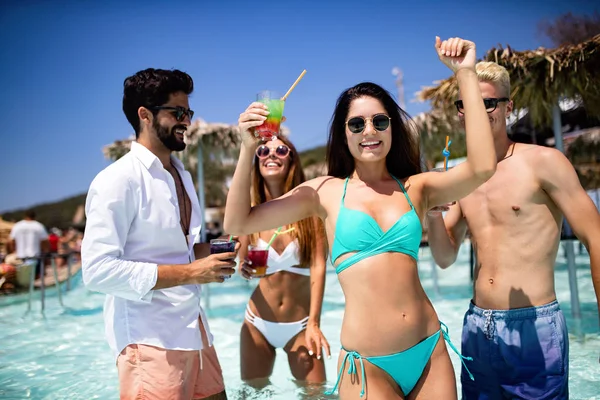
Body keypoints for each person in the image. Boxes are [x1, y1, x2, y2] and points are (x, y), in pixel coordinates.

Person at [225, 36, 497, 399]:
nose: (369, 131)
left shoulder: (416, 188)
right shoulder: (324, 192)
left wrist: (465, 74)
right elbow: (237, 223)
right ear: (343, 134)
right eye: (357, 124)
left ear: (391, 128)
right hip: (367, 364)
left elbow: (482, 167)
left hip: (429, 352)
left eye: (379, 121)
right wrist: (247, 148)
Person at [426, 61, 600, 400]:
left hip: (533, 325)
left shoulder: (543, 162)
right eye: (467, 103)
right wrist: (433, 217)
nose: (477, 110)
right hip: (477, 326)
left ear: (508, 105)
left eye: (487, 102)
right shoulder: (462, 178)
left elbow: (595, 237)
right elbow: (445, 257)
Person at [81, 68, 238, 400]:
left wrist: (219, 255)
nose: (187, 121)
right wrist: (192, 272)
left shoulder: (180, 174)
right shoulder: (117, 180)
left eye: (188, 113)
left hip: (195, 329)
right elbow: (96, 271)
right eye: (177, 112)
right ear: (145, 115)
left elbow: (180, 250)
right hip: (149, 339)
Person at [236, 135, 330, 386]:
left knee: (316, 393)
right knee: (255, 393)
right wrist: (243, 268)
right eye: (263, 150)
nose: (271, 154)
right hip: (256, 323)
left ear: (292, 160)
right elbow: (242, 261)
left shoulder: (309, 210)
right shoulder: (249, 213)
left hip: (301, 326)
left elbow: (319, 266)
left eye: (281, 150)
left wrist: (314, 323)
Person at [8, 210, 49, 279]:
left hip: (20, 256)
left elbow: (10, 241)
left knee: (21, 277)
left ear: (25, 216)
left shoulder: (18, 225)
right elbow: (45, 241)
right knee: (34, 277)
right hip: (35, 256)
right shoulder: (38, 226)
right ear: (35, 217)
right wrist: (46, 251)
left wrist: (13, 251)